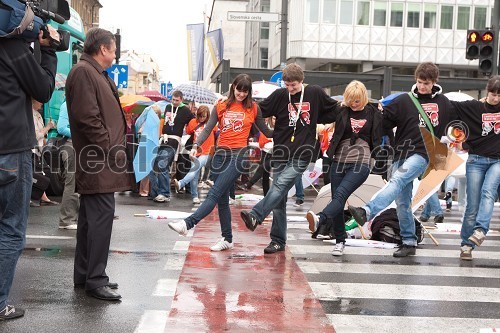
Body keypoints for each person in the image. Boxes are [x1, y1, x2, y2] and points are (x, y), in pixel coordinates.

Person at [349, 62, 456, 257]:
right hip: (400, 153)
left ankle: (367, 212)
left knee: (397, 180)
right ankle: (409, 241)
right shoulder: (403, 101)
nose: (422, 86)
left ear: (434, 82)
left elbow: (462, 120)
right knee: (403, 203)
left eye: (426, 83)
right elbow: (383, 122)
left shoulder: (444, 103)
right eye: (419, 82)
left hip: (423, 153)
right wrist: (376, 112)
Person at [239, 63, 339, 254]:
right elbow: (258, 112)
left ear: (301, 81)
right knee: (279, 198)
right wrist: (264, 129)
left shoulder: (315, 93)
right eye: (287, 85)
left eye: (293, 85)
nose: (290, 89)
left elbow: (334, 109)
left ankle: (256, 215)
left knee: (279, 186)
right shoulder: (279, 95)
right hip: (281, 150)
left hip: (303, 151)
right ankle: (277, 241)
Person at [168, 74, 273, 251]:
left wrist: (287, 128)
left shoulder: (253, 108)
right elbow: (208, 127)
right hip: (220, 155)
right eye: (239, 89)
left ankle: (188, 224)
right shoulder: (221, 105)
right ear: (234, 87)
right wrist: (196, 145)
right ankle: (227, 238)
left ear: (249, 93)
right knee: (222, 200)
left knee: (215, 193)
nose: (241, 94)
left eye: (245, 91)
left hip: (238, 156)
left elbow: (267, 132)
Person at [66, 28, 132, 301]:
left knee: (90, 221)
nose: (115, 54)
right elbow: (87, 118)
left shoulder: (91, 71)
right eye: (114, 49)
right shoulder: (84, 72)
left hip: (99, 159)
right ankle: (95, 279)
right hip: (98, 160)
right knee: (100, 220)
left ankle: (86, 275)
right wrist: (107, 147)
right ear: (102, 49)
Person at [0, 25, 59, 320]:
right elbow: (43, 90)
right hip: (9, 148)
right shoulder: (12, 49)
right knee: (10, 228)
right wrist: (47, 49)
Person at [306, 80, 383, 256]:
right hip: (339, 159)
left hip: (361, 161)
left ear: (363, 98)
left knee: (340, 195)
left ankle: (321, 218)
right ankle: (340, 241)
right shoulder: (341, 111)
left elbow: (386, 129)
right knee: (338, 201)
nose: (354, 104)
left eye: (357, 101)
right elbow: (321, 111)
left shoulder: (374, 112)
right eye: (350, 100)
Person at [448, 76, 500, 260]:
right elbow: (450, 106)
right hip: (476, 160)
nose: (496, 99)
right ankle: (466, 245)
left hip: (497, 161)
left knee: (488, 192)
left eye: (499, 95)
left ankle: (480, 230)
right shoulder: (474, 107)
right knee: (472, 205)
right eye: (493, 94)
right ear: (488, 92)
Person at [149, 91, 193, 202]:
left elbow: (193, 123)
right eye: (173, 99)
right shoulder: (168, 107)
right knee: (154, 166)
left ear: (181, 99)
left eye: (177, 100)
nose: (174, 102)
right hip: (163, 139)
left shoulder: (186, 110)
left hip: (174, 141)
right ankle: (156, 192)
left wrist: (191, 140)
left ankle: (165, 193)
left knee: (162, 164)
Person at [174, 106, 215, 204]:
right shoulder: (193, 122)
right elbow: (188, 131)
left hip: (208, 150)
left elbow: (217, 132)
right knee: (195, 174)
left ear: (207, 116)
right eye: (200, 116)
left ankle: (181, 183)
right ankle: (194, 196)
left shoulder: (211, 123)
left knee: (195, 168)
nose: (201, 118)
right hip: (196, 150)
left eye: (204, 116)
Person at [31, 98, 58, 207]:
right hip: (32, 149)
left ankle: (43, 198)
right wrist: (48, 127)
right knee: (36, 174)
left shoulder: (38, 115)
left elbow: (43, 136)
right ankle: (39, 198)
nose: (42, 102)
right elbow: (35, 136)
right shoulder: (30, 115)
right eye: (39, 100)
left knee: (41, 172)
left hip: (39, 149)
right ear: (33, 101)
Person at [56, 101, 79, 230]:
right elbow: (61, 127)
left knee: (75, 182)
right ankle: (66, 220)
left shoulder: (75, 103)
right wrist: (81, 134)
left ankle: (71, 218)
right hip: (70, 145)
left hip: (76, 146)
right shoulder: (67, 105)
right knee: (72, 183)